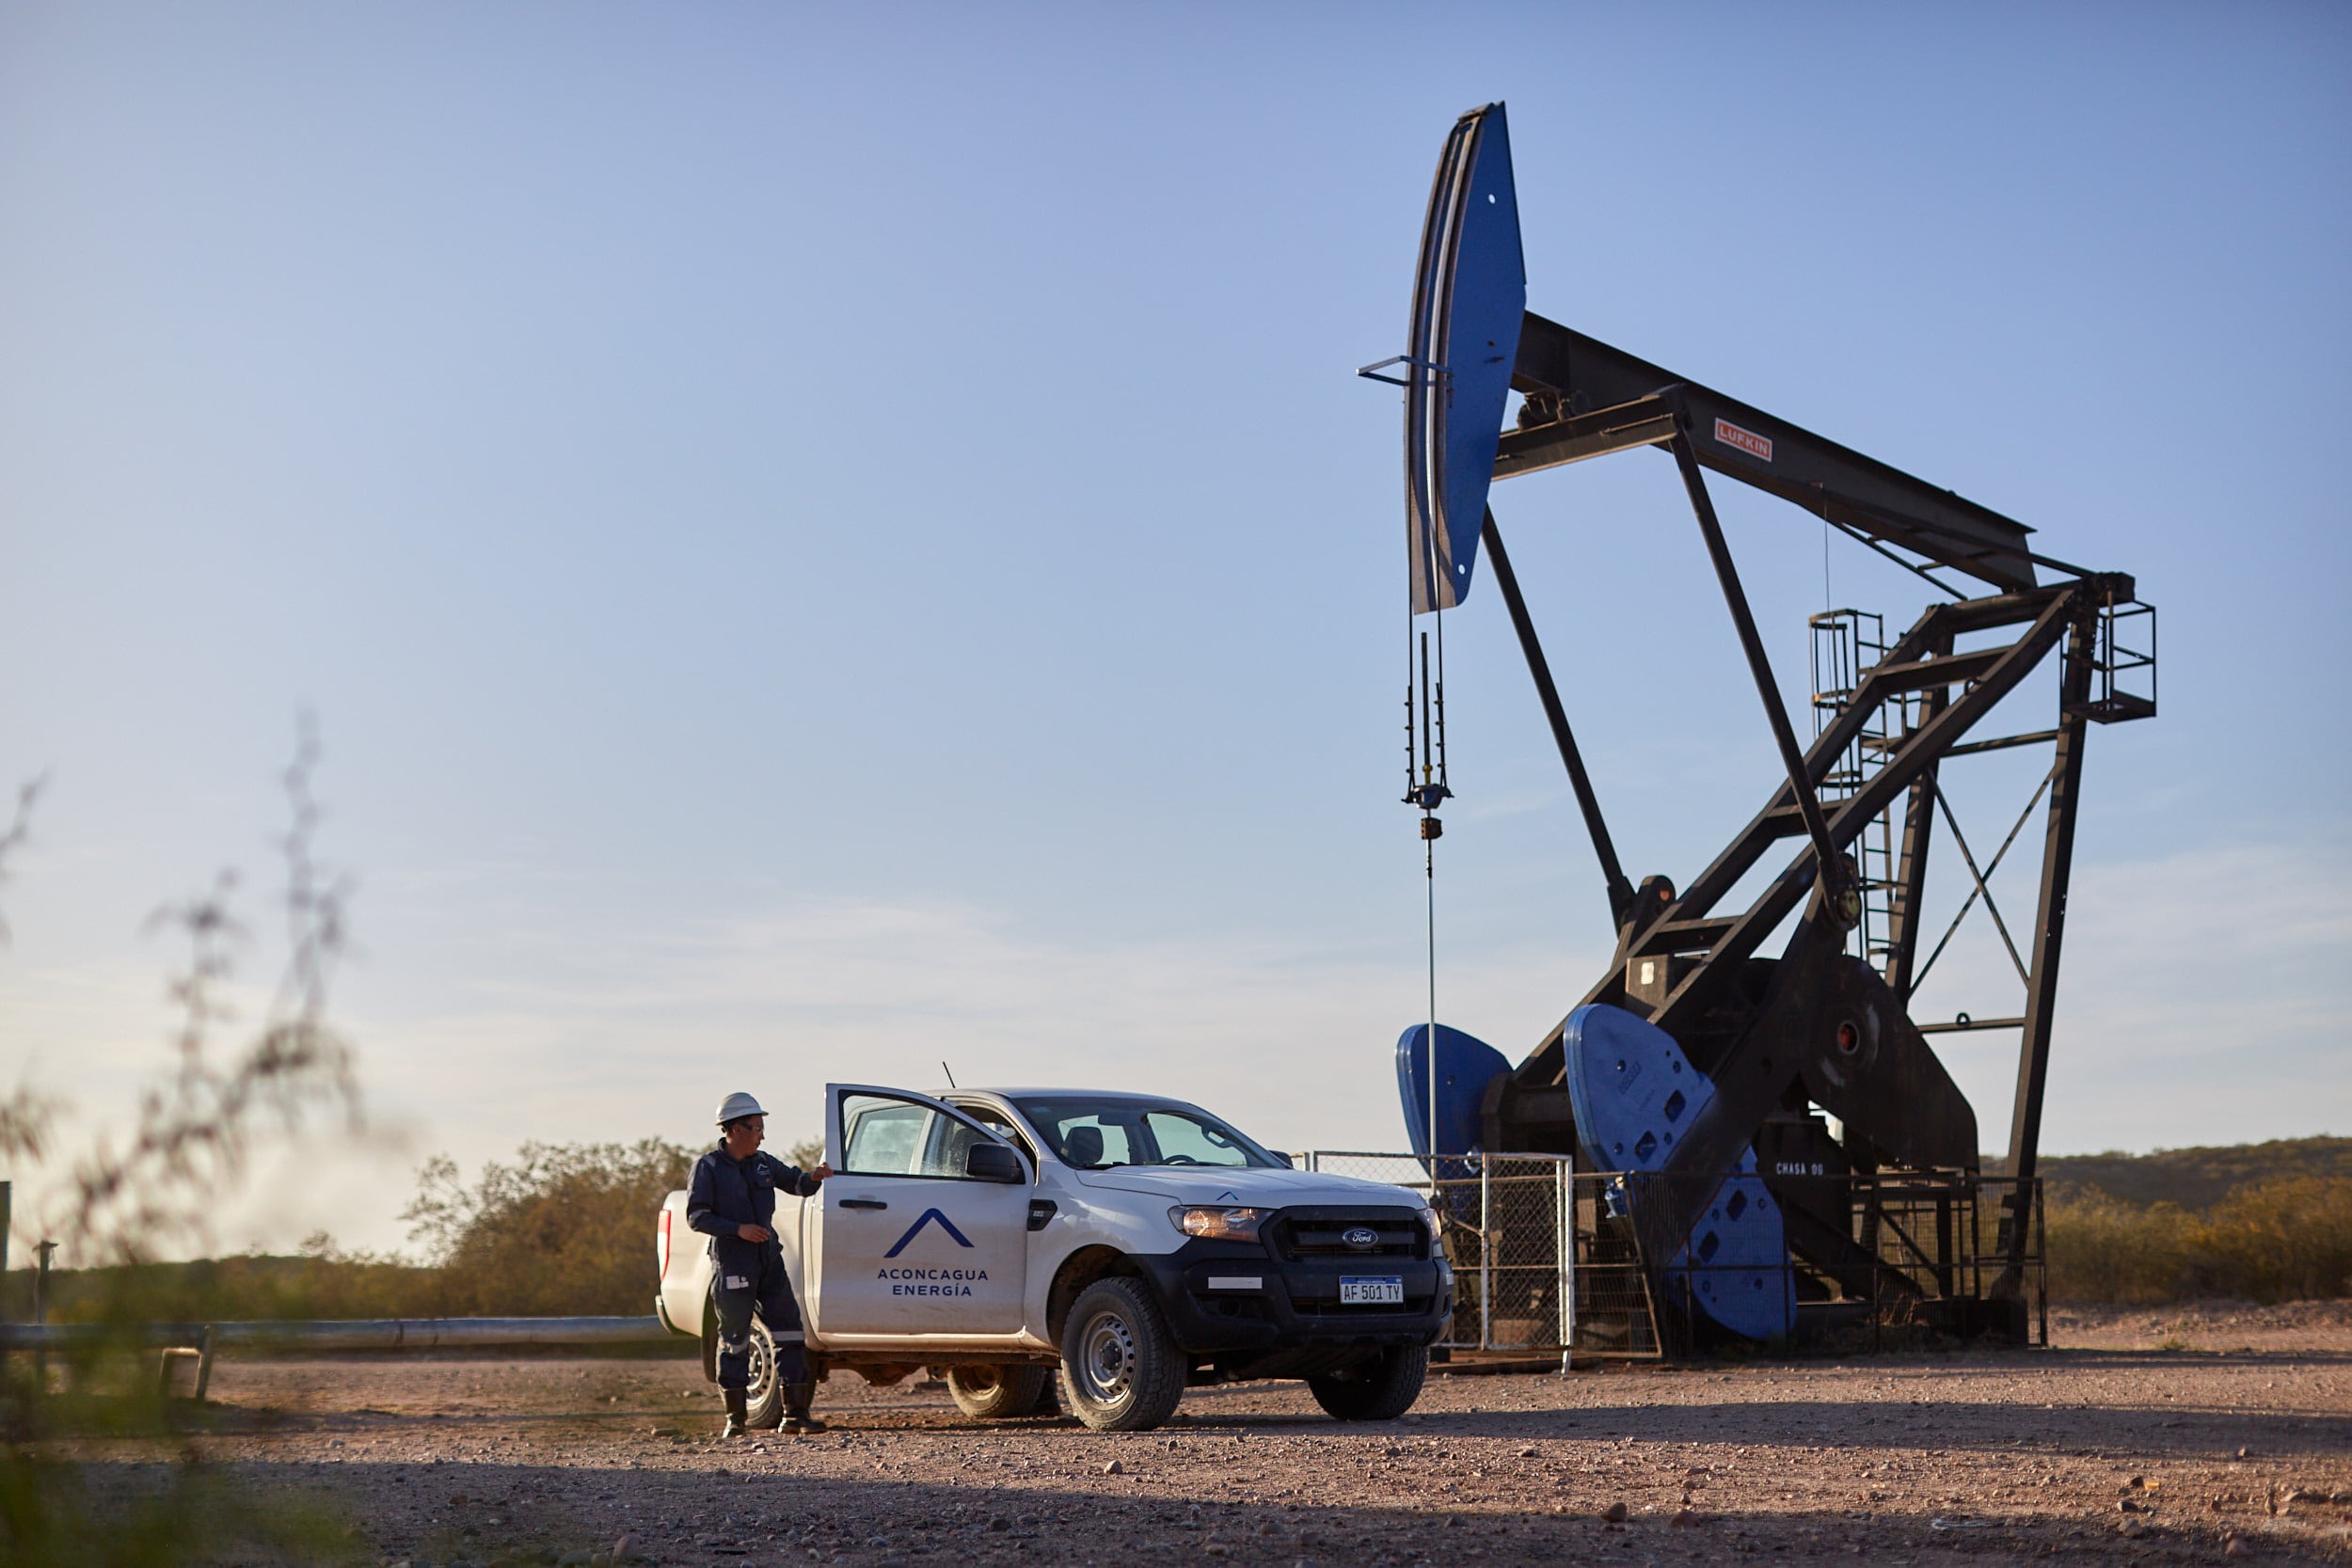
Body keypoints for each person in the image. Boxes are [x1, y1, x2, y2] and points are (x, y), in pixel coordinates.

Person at [686, 1091, 833, 1436]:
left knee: (791, 1333)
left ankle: (795, 1416)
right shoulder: (707, 1167)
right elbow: (696, 1216)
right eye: (756, 1128)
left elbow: (795, 1182)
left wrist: (815, 1177)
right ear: (734, 1130)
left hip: (769, 1260)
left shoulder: (764, 1162)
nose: (762, 1135)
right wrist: (737, 1229)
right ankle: (736, 1421)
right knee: (734, 1338)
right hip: (733, 1263)